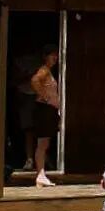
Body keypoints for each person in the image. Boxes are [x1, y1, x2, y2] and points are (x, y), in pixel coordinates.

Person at [29, 45, 60, 187]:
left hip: (48, 110)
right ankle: (40, 175)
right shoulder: (44, 70)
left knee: (45, 143)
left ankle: (41, 173)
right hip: (44, 109)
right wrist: (46, 98)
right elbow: (35, 80)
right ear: (45, 56)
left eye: (56, 55)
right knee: (42, 143)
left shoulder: (49, 71)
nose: (55, 58)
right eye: (52, 55)